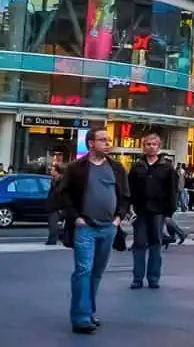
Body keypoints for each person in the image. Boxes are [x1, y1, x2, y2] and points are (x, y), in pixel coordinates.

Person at [55, 128, 130, 334]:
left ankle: (88, 311)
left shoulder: (116, 168)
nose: (107, 144)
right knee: (83, 270)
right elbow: (63, 195)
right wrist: (76, 217)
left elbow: (125, 195)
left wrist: (118, 218)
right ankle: (80, 318)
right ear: (90, 143)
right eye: (102, 140)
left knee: (96, 272)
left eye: (108, 140)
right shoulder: (77, 168)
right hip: (86, 227)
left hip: (109, 228)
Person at [128, 133, 176, 289]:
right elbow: (130, 189)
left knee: (156, 243)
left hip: (158, 211)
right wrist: (129, 209)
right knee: (139, 244)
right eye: (148, 144)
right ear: (143, 147)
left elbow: (172, 191)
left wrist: (169, 213)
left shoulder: (167, 167)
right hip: (140, 210)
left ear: (159, 147)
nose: (151, 147)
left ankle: (154, 278)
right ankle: (137, 278)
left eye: (154, 144)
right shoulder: (136, 167)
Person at [46, 162, 67, 246]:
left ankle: (52, 240)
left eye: (52, 170)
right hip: (53, 205)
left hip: (57, 206)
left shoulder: (61, 181)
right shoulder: (53, 180)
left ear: (57, 171)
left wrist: (61, 207)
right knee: (52, 223)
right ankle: (58, 237)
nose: (50, 171)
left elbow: (61, 194)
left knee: (53, 223)